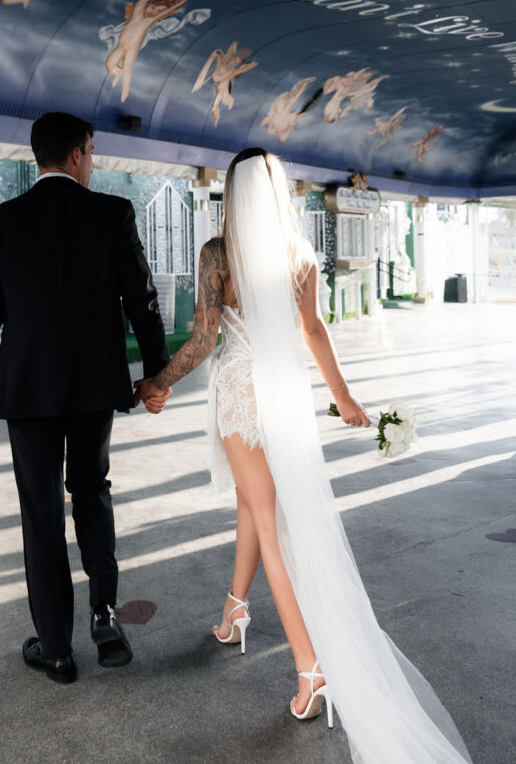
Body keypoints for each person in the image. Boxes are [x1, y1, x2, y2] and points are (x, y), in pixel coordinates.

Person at [137, 149, 473, 763]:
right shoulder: (300, 257)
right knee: (254, 501)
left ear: (232, 198)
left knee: (271, 523)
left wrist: (156, 382)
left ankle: (309, 665)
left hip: (240, 393)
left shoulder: (219, 255)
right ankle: (233, 612)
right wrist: (344, 398)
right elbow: (314, 331)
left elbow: (205, 338)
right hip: (285, 396)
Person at [0, 112, 171, 685]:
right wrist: (155, 374)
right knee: (91, 489)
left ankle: (55, 649)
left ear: (41, 157)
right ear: (78, 155)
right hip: (92, 386)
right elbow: (142, 298)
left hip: (26, 387)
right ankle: (104, 609)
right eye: (93, 152)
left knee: (41, 511)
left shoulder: (1, 220)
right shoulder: (110, 213)